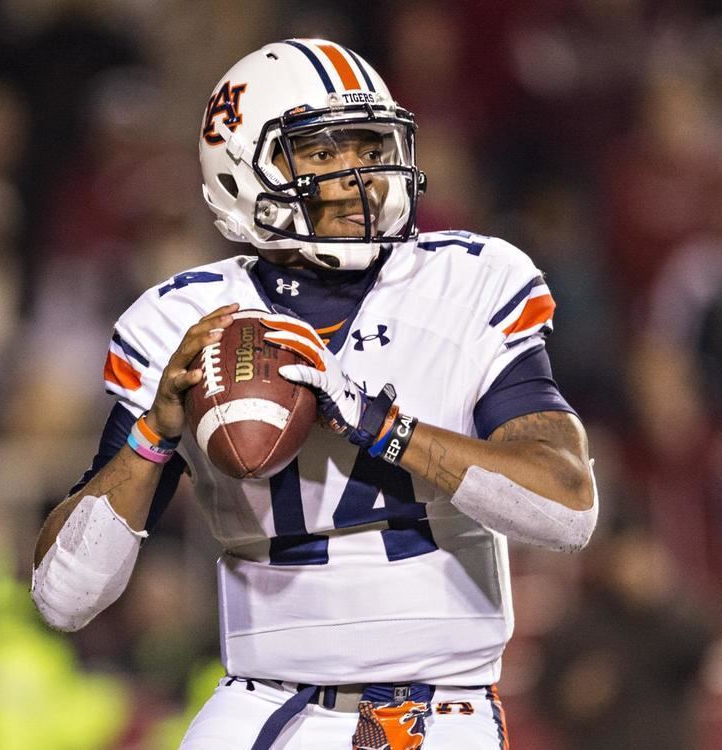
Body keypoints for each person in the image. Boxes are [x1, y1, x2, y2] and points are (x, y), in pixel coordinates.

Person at [31, 38, 598, 750]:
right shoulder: (185, 319)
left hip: (436, 710)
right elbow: (64, 599)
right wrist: (153, 432)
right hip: (256, 701)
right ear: (241, 174)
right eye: (322, 155)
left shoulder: (469, 281)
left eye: (367, 146)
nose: (357, 174)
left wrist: (379, 422)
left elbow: (568, 507)